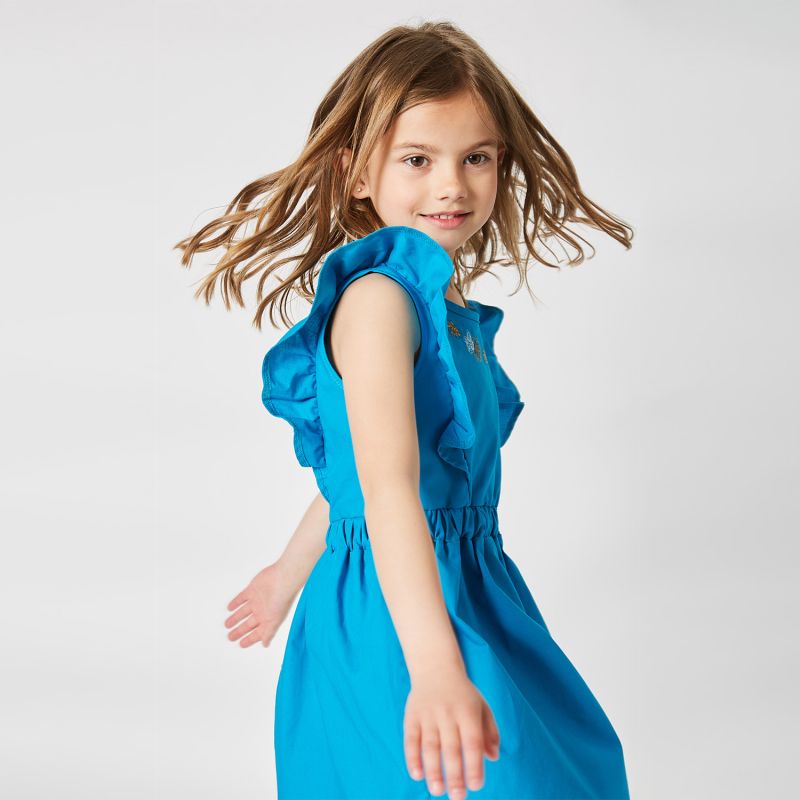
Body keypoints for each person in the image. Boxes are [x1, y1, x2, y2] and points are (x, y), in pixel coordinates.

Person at [175, 20, 634, 800]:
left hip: (471, 588)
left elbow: (358, 471)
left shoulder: (441, 307)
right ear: (357, 173)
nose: (452, 185)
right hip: (400, 617)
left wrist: (285, 573)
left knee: (564, 773)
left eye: (476, 157)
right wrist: (435, 666)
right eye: (418, 159)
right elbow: (387, 490)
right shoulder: (379, 302)